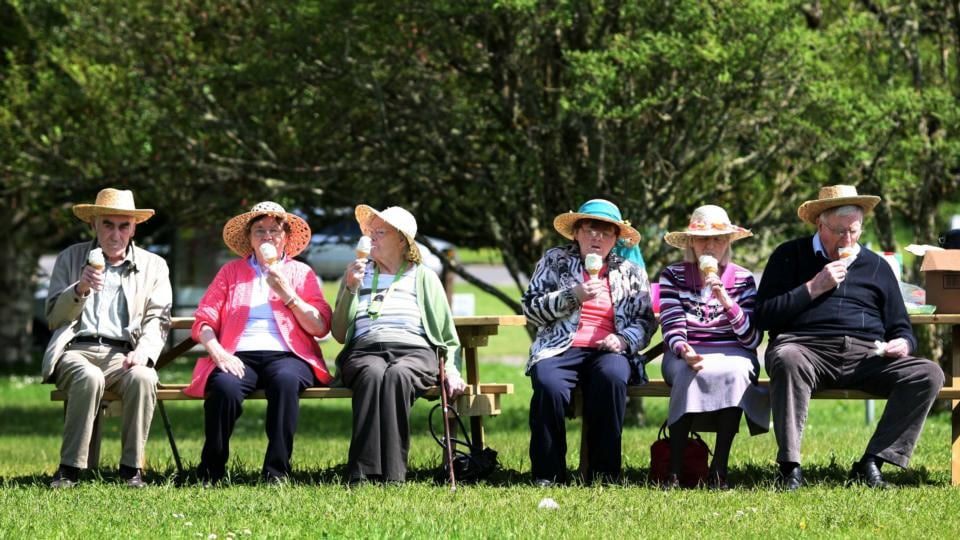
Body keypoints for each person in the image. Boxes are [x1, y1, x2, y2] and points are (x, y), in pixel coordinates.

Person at [756, 185, 945, 490]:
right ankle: (789, 467)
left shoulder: (877, 267)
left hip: (867, 354)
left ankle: (871, 462)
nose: (847, 240)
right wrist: (813, 288)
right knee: (786, 357)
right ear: (820, 225)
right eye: (839, 231)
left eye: (853, 231)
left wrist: (904, 343)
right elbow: (763, 315)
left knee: (929, 373)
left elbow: (901, 326)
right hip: (806, 349)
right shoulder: (789, 255)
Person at [184, 202, 333, 485]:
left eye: (274, 231)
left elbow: (320, 325)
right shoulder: (231, 272)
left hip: (288, 355)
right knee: (224, 387)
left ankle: (277, 472)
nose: (267, 237)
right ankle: (210, 471)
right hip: (238, 354)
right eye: (259, 231)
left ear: (286, 237)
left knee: (286, 381)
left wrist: (287, 292)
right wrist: (218, 353)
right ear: (250, 239)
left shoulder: (301, 273)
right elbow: (204, 320)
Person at [44, 188, 172, 489]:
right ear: (94, 224)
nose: (115, 234)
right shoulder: (71, 258)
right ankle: (70, 469)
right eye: (108, 225)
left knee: (144, 377)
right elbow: (53, 317)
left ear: (134, 227)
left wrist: (145, 352)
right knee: (88, 377)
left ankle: (131, 470)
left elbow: (159, 318)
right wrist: (79, 289)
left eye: (123, 225)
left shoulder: (154, 265)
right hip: (76, 350)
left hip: (123, 354)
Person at [523, 199, 656, 486]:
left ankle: (604, 474)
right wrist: (573, 295)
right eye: (590, 229)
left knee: (612, 377)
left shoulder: (631, 272)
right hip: (559, 346)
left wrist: (623, 339)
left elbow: (646, 321)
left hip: (608, 350)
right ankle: (549, 474)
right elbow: (531, 308)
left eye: (606, 232)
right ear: (576, 232)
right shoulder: (554, 261)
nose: (597, 237)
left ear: (616, 239)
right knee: (548, 383)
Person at [331, 205, 465, 484]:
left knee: (398, 375)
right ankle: (362, 472)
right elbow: (340, 332)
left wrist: (452, 370)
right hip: (365, 349)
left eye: (380, 232)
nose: (372, 238)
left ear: (402, 240)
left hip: (414, 351)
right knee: (371, 373)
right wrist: (350, 288)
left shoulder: (423, 276)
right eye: (370, 232)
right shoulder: (357, 273)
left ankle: (392, 474)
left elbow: (447, 336)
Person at [659, 205, 769, 489]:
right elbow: (671, 324)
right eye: (703, 239)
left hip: (733, 351)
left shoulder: (743, 279)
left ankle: (719, 469)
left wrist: (726, 300)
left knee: (737, 372)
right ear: (692, 243)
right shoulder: (673, 275)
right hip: (687, 349)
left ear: (728, 242)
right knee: (687, 373)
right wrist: (684, 350)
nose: (710, 245)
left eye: (718, 239)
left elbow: (751, 340)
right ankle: (674, 470)